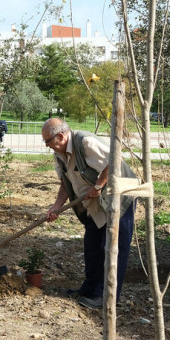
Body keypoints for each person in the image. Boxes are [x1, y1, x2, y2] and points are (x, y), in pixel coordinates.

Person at [41, 118, 137, 310]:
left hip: (119, 197)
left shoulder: (85, 142)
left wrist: (99, 185)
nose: (47, 146)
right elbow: (65, 183)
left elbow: (114, 160)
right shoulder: (59, 153)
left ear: (60, 136)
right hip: (95, 203)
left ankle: (105, 297)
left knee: (112, 248)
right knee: (92, 246)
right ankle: (90, 289)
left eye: (48, 141)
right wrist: (56, 206)